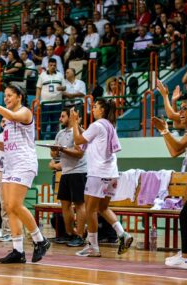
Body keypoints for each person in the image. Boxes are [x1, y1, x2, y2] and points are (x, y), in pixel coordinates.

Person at [0, 84, 50, 264]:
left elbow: (11, 114)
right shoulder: (8, 123)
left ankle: (40, 240)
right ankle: (18, 250)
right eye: (5, 97)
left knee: (16, 205)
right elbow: (5, 146)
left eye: (10, 96)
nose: (7, 99)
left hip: (24, 164)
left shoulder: (25, 112)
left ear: (19, 96)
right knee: (9, 207)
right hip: (10, 165)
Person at [70, 98, 133, 257]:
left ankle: (93, 247)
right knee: (103, 208)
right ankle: (123, 234)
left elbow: (78, 140)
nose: (94, 109)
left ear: (103, 110)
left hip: (98, 173)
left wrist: (74, 123)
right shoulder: (110, 125)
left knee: (90, 210)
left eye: (96, 107)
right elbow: (88, 140)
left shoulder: (97, 125)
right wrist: (80, 128)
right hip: (112, 173)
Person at [152, 101, 187, 272]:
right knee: (186, 215)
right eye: (179, 109)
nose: (180, 112)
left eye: (184, 109)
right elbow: (174, 152)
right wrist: (163, 131)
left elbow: (178, 146)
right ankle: (186, 258)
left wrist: (165, 131)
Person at [51, 109, 87, 247]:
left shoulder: (80, 132)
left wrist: (61, 149)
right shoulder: (60, 133)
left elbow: (79, 154)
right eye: (60, 116)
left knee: (79, 204)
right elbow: (54, 155)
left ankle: (80, 235)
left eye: (63, 116)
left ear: (71, 117)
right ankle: (69, 233)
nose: (60, 119)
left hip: (79, 172)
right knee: (65, 204)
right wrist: (54, 151)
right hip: (65, 172)